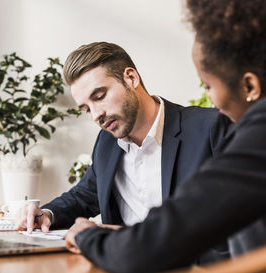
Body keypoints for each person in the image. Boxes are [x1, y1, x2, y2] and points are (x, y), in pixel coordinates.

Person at [64, 1, 266, 272]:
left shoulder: (248, 134)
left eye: (208, 85)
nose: (209, 98)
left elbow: (155, 242)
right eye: (86, 108)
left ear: (250, 85)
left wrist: (87, 235)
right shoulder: (107, 144)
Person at [17, 42, 231, 262]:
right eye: (86, 109)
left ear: (131, 78)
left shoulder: (210, 128)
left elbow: (237, 227)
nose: (96, 115)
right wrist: (46, 214)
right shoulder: (107, 142)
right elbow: (84, 195)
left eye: (99, 96)